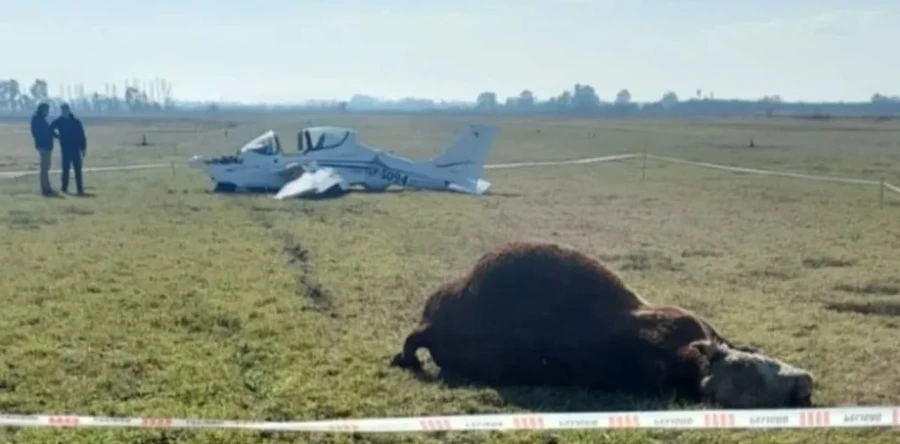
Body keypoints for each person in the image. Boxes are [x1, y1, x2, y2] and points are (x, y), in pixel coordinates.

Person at [50, 103, 87, 194]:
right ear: (61, 111)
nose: (64, 111)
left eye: (66, 109)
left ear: (69, 110)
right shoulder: (59, 121)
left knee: (77, 169)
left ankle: (80, 189)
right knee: (65, 169)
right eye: (63, 110)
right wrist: (57, 136)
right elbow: (50, 128)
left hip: (75, 148)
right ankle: (64, 188)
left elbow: (81, 135)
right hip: (65, 148)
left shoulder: (75, 121)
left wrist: (83, 148)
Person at [30, 103, 55, 195]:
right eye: (46, 110)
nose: (47, 112)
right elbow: (37, 132)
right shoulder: (37, 119)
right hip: (43, 145)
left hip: (46, 145)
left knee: (46, 167)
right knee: (44, 168)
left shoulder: (41, 119)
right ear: (42, 109)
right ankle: (45, 188)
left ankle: (46, 186)